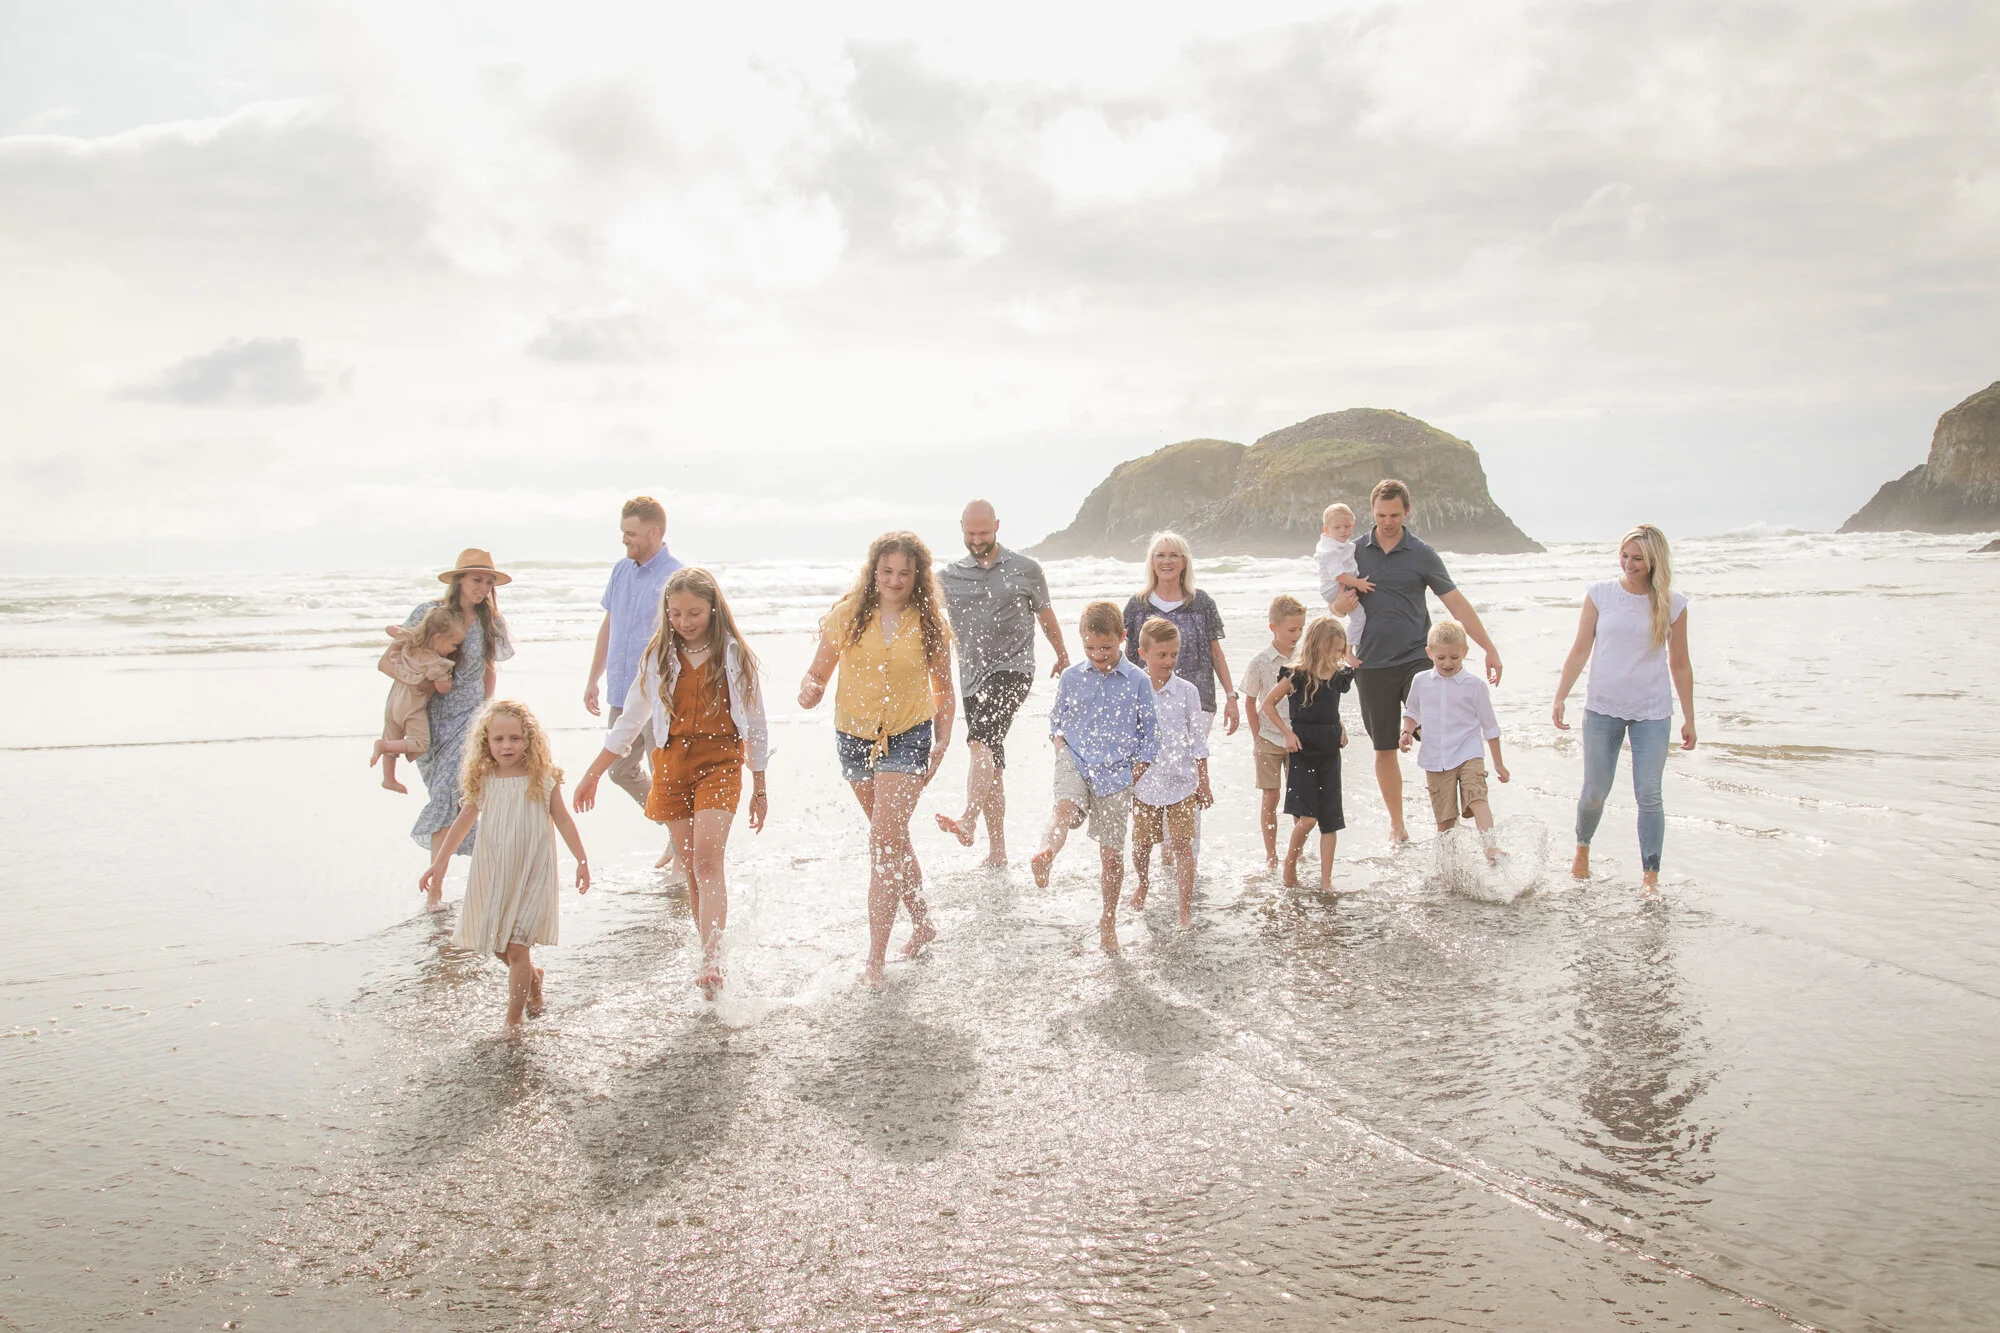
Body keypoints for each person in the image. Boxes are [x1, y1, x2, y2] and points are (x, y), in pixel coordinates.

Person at [573, 568, 769, 998]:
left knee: (706, 860)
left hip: (720, 763)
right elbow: (630, 723)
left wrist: (760, 785)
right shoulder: (657, 657)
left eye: (694, 612)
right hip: (672, 766)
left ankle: (713, 959)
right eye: (676, 613)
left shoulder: (734, 655)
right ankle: (709, 954)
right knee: (694, 872)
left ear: (713, 609)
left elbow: (755, 723)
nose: (684, 621)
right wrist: (592, 774)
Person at [798, 532, 957, 988]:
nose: (894, 580)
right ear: (874, 572)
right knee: (892, 838)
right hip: (854, 737)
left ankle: (874, 961)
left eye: (904, 574)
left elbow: (943, 689)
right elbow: (818, 672)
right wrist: (808, 691)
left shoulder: (930, 622)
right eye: (886, 571)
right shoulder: (848, 616)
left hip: (909, 735)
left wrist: (942, 742)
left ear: (917, 577)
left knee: (883, 842)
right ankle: (923, 921)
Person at [1333, 480, 1503, 844]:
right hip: (1371, 663)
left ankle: (1460, 801)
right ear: (1371, 511)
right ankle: (1397, 824)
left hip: (1416, 659)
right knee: (1384, 746)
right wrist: (1338, 610)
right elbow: (1334, 599)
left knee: (1436, 729)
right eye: (1381, 515)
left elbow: (1456, 603)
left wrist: (1488, 647)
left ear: (1407, 511)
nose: (1388, 521)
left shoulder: (1422, 554)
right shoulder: (1353, 551)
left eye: (1395, 515)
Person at [419, 700, 590, 1031]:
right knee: (500, 946)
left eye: (514, 738)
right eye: (498, 739)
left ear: (529, 739)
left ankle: (514, 1021)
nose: (507, 745)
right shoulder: (484, 779)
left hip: (533, 870)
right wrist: (439, 864)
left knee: (516, 947)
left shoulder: (542, 778)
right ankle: (533, 977)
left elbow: (564, 820)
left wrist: (581, 861)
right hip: (496, 870)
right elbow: (463, 821)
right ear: (486, 742)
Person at [1551, 523, 1696, 894]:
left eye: (1637, 558)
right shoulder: (1600, 594)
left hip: (1653, 710)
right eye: (1624, 556)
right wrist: (1561, 695)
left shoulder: (1673, 604)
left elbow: (1679, 663)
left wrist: (1689, 717)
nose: (1628, 564)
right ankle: (1582, 850)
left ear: (1653, 561)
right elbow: (1581, 648)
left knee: (1648, 793)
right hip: (1603, 707)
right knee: (1596, 789)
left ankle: (1650, 877)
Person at [936, 499, 1069, 866]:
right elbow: (916, 608)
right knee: (991, 760)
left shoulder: (1026, 569)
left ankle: (967, 818)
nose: (977, 540)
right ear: (961, 528)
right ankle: (998, 851)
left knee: (980, 740)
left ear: (997, 526)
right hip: (971, 678)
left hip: (1014, 669)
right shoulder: (947, 578)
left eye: (984, 533)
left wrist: (1063, 655)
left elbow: (1045, 614)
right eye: (970, 534)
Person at [1033, 601, 1159, 953]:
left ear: (1122, 638)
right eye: (1090, 648)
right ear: (1082, 642)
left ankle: (1108, 920)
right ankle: (1045, 853)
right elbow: (1057, 717)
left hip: (1117, 774)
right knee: (1065, 807)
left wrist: (1140, 766)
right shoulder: (1072, 676)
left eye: (1105, 647)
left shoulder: (1138, 680)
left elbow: (1151, 732)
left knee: (1111, 854)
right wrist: (1058, 740)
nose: (1098, 654)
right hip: (1074, 758)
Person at [405, 548, 515, 900]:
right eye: (476, 580)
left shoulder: (491, 622)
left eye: (488, 582)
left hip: (470, 716)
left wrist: (487, 713)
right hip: (431, 715)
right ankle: (488, 873)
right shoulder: (430, 614)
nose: (482, 587)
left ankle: (435, 887)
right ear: (459, 580)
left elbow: (488, 670)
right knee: (449, 794)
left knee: (450, 795)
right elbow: (400, 655)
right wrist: (418, 685)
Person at [582, 496, 685, 870]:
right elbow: (610, 625)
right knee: (620, 770)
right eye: (623, 533)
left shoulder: (677, 576)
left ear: (655, 532)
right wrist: (593, 678)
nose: (625, 540)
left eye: (632, 533)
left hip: (660, 697)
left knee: (667, 775)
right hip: (620, 692)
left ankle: (680, 844)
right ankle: (678, 828)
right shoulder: (620, 571)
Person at [1400, 620, 1510, 863]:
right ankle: (1449, 868)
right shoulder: (1420, 681)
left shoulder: (1475, 686)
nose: (1447, 663)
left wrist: (1499, 764)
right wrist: (1406, 732)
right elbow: (1411, 712)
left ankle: (1490, 847)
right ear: (1429, 654)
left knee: (1477, 796)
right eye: (1441, 658)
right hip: (1435, 757)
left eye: (1454, 657)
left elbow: (1490, 727)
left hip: (1468, 752)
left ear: (1465, 653)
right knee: (1446, 821)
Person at [1261, 616, 1354, 892]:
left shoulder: (1339, 676)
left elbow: (1330, 709)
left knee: (1330, 821)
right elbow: (1267, 705)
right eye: (1333, 649)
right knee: (1308, 819)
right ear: (1317, 645)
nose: (1338, 655)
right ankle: (1290, 862)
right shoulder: (1296, 675)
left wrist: (1342, 727)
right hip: (1303, 751)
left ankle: (1326, 882)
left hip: (1330, 752)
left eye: (1341, 650)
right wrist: (1287, 734)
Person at [1129, 618, 1210, 929]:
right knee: (1141, 846)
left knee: (1182, 846)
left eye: (1174, 654)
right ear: (1143, 654)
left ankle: (1184, 910)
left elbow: (1197, 739)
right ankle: (1143, 883)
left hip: (1182, 782)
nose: (1169, 661)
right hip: (1144, 783)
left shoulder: (1187, 691)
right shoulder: (1135, 690)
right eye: (1162, 655)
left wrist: (1204, 782)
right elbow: (1128, 737)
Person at [1122, 531, 1239, 737]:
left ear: (1184, 562)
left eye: (1174, 555)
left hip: (1198, 700)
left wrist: (1231, 697)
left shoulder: (1201, 602)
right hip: (1148, 698)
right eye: (1160, 555)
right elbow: (1128, 657)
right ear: (1152, 562)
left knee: (1192, 764)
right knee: (1149, 765)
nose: (1167, 561)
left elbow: (1216, 653)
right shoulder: (1137, 605)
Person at [1241, 594, 1308, 868]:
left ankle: (1297, 853)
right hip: (1268, 739)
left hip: (1299, 739)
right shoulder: (1260, 661)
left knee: (1298, 800)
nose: (1298, 634)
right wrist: (1256, 736)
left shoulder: (1305, 657)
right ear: (1274, 628)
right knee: (1271, 797)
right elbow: (1249, 699)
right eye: (1292, 629)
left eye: (1301, 629)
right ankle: (1271, 854)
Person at [370, 606, 463, 793]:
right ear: (437, 638)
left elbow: (390, 629)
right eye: (453, 644)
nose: (454, 649)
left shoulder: (410, 643)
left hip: (393, 700)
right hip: (411, 705)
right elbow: (443, 689)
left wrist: (407, 632)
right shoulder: (437, 662)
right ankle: (383, 746)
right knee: (419, 742)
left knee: (392, 733)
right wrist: (446, 675)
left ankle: (388, 778)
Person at [1313, 503, 1367, 661]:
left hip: (1337, 586)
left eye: (1347, 526)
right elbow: (1339, 576)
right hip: (1334, 588)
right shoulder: (1330, 550)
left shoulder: (1344, 544)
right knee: (1359, 617)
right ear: (1326, 529)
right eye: (1337, 527)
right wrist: (1358, 583)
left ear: (1353, 525)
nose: (1343, 530)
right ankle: (1348, 652)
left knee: (1356, 616)